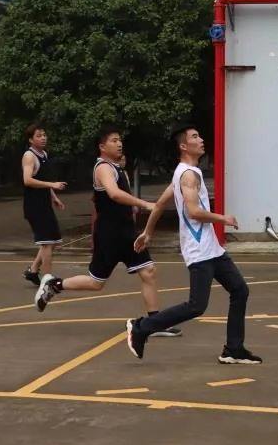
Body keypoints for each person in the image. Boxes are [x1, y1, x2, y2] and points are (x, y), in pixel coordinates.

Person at [125, 124, 261, 364]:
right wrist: (223, 218)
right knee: (196, 306)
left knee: (240, 289)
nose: (201, 140)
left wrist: (148, 232)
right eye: (195, 137)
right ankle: (142, 327)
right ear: (183, 146)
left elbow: (158, 205)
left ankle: (233, 349)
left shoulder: (182, 172)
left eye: (200, 135)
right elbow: (193, 211)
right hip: (199, 251)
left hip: (212, 250)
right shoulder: (188, 174)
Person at [34, 127, 182, 337]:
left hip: (127, 232)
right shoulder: (103, 168)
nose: (119, 143)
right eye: (114, 140)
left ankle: (154, 323)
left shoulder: (118, 167)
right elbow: (113, 194)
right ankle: (54, 284)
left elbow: (123, 193)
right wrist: (144, 204)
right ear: (102, 146)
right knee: (96, 283)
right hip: (109, 234)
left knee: (148, 271)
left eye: (120, 140)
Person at [21, 124, 66, 286]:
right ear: (31, 140)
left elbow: (43, 181)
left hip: (44, 204)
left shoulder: (44, 154)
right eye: (39, 135)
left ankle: (33, 271)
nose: (43, 138)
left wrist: (54, 196)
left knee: (51, 241)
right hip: (34, 206)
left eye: (44, 134)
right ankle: (48, 279)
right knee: (47, 243)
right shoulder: (29, 156)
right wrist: (52, 185)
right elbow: (27, 180)